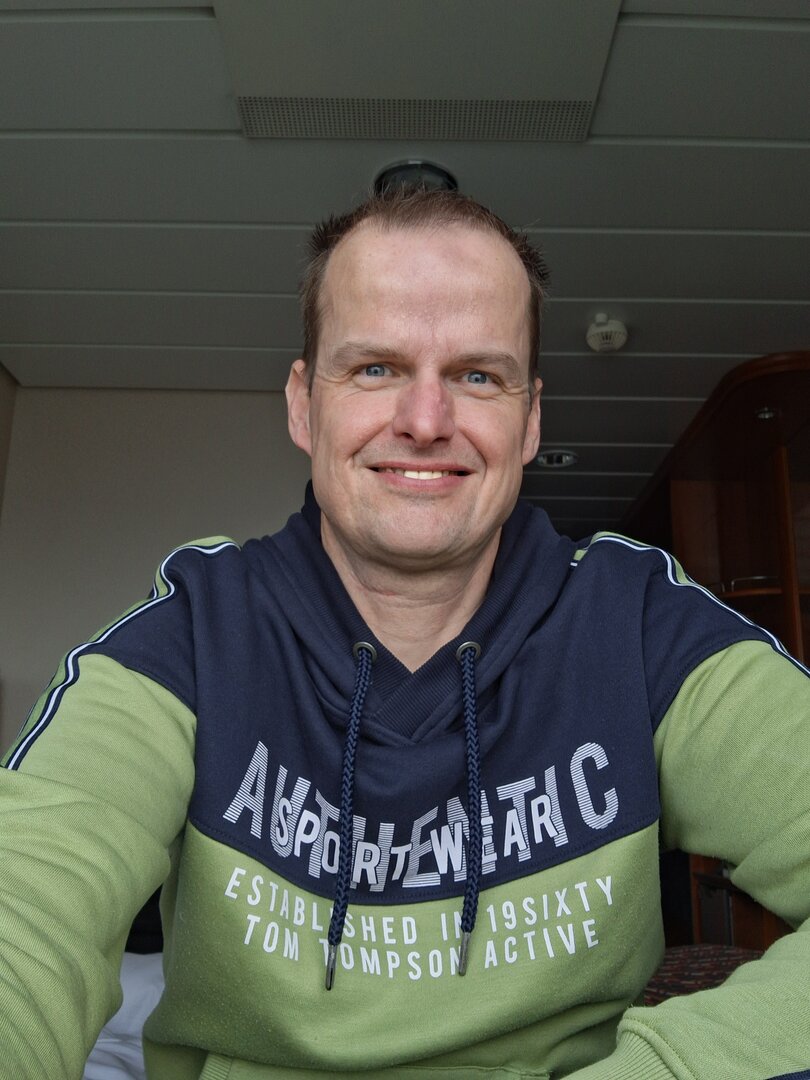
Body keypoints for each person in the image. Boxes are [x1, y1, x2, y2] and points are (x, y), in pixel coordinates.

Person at [1, 187, 809, 1080]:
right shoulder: (192, 635)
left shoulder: (641, 624)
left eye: (478, 376)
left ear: (531, 419)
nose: (426, 422)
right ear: (304, 405)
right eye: (377, 368)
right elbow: (24, 912)